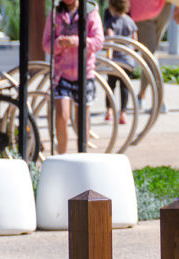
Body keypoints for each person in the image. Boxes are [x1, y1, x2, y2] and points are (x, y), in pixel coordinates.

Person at [42, 0, 105, 154]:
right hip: (61, 73)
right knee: (62, 115)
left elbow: (98, 41)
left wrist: (77, 41)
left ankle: (82, 155)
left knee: (81, 119)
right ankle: (62, 156)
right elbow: (46, 44)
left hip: (84, 73)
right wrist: (58, 43)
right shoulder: (55, 13)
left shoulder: (90, 12)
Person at [129, 0, 172, 110]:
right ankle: (141, 95)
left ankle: (159, 101)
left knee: (149, 56)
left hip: (142, 10)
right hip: (163, 8)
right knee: (150, 55)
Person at [104, 0, 138, 124]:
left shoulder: (111, 22)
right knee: (124, 87)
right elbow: (135, 41)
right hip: (127, 61)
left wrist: (109, 55)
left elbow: (110, 40)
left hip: (115, 61)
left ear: (112, 7)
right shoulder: (130, 21)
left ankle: (109, 111)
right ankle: (123, 113)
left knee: (110, 86)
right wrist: (133, 54)